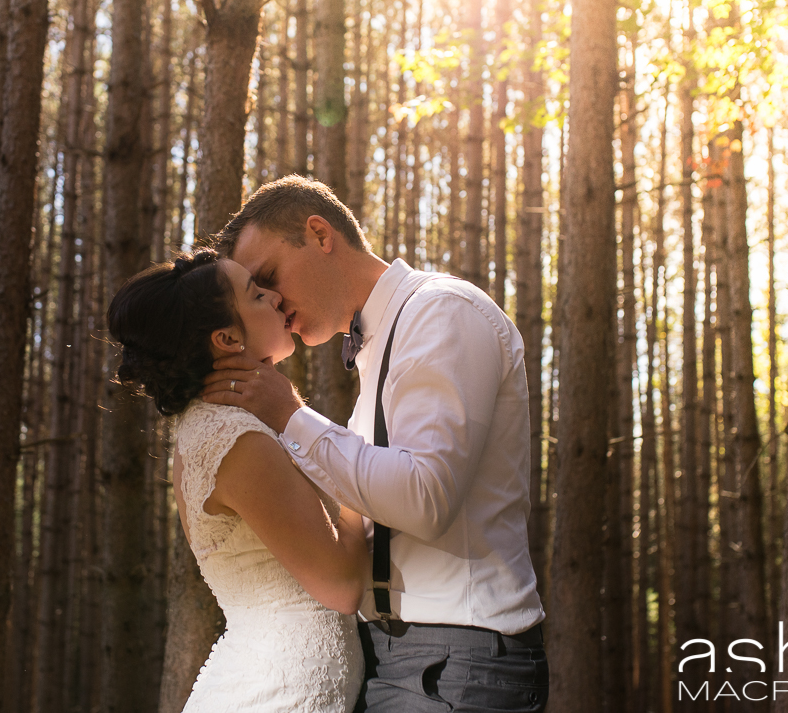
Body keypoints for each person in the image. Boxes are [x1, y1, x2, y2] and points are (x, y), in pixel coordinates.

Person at [201, 175, 548, 713]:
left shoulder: (443, 312)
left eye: (268, 277)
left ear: (319, 234)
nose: (270, 300)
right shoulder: (379, 342)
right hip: (397, 658)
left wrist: (290, 416)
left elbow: (424, 500)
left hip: (458, 661)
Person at [107, 248, 369, 713]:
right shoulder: (235, 440)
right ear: (227, 338)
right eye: (256, 293)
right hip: (280, 694)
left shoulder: (221, 425)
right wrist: (362, 461)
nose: (275, 296)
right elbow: (342, 587)